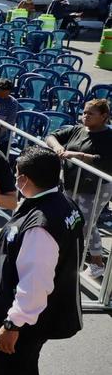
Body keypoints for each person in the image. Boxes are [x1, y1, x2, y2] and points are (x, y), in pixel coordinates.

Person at [0, 146, 84, 375]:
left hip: (25, 320)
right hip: (43, 312)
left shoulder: (39, 226)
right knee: (25, 370)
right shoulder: (64, 202)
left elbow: (35, 283)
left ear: (24, 179)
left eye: (17, 175)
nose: (15, 179)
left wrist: (13, 325)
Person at [45, 98, 112, 279]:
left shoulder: (108, 137)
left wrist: (80, 156)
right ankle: (68, 254)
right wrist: (58, 147)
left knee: (86, 223)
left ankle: (97, 262)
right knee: (73, 219)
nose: (85, 116)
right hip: (72, 184)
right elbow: (51, 136)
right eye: (84, 112)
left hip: (96, 188)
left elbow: (107, 162)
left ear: (104, 116)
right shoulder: (77, 130)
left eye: (91, 113)